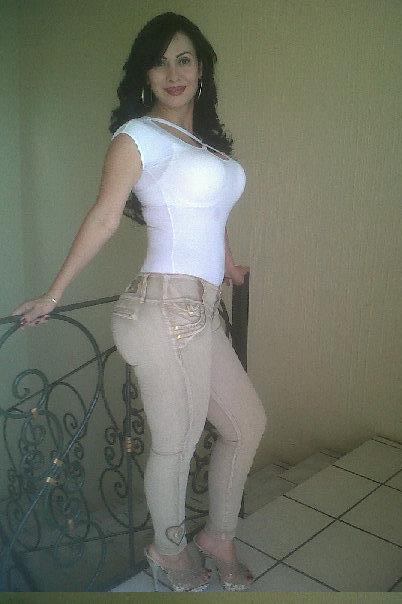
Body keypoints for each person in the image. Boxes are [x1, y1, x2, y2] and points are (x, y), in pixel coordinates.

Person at [11, 12, 267, 592]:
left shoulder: (202, 144)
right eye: (160, 62)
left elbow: (213, 213)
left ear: (201, 69)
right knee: (176, 443)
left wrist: (228, 267)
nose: (173, 72)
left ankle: (218, 537)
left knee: (246, 423)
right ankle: (167, 550)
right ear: (145, 75)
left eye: (184, 59)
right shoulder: (137, 136)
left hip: (201, 307)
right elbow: (104, 217)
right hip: (160, 310)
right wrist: (54, 293)